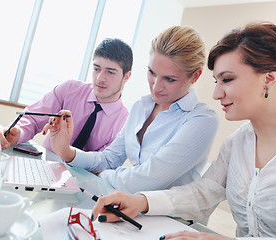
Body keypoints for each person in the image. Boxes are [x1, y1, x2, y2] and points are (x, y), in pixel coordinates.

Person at [89, 22, 276, 239]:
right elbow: (202, 193)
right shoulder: (237, 143)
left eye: (227, 80)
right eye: (216, 81)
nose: (217, 93)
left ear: (269, 78)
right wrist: (142, 201)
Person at [43, 26, 219, 193]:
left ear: (195, 76)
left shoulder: (202, 119)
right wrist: (67, 151)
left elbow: (146, 180)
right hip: (127, 204)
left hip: (165, 219)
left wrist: (101, 175)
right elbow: (109, 159)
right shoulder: (141, 108)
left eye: (170, 79)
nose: (156, 86)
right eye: (152, 72)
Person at [0, 38, 132, 153]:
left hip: (82, 182)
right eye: (96, 69)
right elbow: (32, 118)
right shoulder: (70, 90)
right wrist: (18, 132)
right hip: (45, 168)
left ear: (126, 76)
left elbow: (103, 163)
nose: (100, 78)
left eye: (110, 72)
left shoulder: (125, 122)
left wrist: (67, 151)